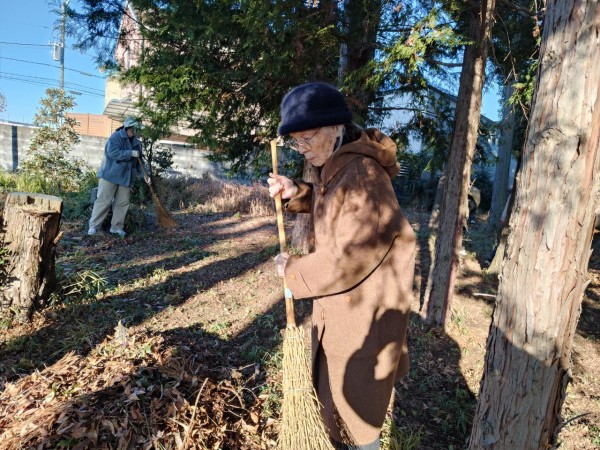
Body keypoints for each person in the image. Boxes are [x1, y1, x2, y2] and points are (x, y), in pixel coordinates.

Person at [268, 82, 416, 450]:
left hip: (364, 317)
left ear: (336, 126)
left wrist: (294, 271)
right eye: (296, 143)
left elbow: (350, 257)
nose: (303, 149)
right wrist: (297, 192)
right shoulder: (339, 166)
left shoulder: (363, 177)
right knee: (336, 401)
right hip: (343, 310)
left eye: (307, 138)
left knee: (358, 414)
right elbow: (332, 203)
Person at [88, 116, 150, 237]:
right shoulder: (116, 137)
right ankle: (94, 226)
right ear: (128, 128)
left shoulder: (137, 143)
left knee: (122, 203)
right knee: (103, 201)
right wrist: (130, 153)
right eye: (135, 129)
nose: (136, 132)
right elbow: (112, 153)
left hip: (126, 177)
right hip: (110, 175)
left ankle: (116, 227)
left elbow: (139, 162)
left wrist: (145, 175)